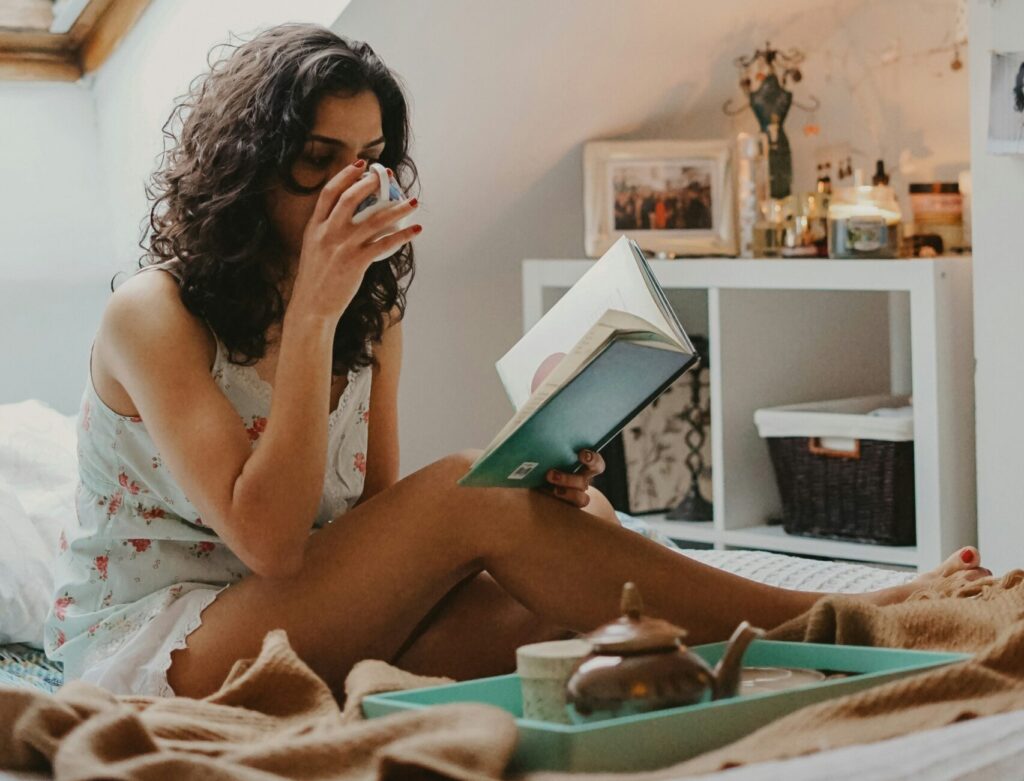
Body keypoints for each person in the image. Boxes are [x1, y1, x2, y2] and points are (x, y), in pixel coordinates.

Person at [44, 23, 991, 702]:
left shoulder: (371, 306)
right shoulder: (155, 314)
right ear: (248, 167)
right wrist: (310, 319)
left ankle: (791, 632)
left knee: (566, 582)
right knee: (469, 490)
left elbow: (366, 529)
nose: (352, 184)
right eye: (318, 157)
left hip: (297, 612)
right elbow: (273, 544)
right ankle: (835, 623)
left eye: (370, 157)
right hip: (171, 641)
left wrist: (538, 485)